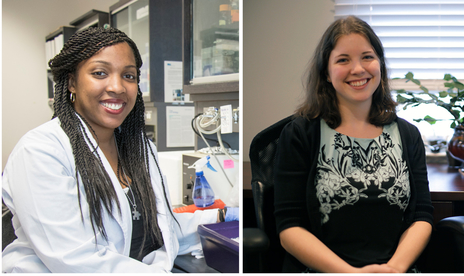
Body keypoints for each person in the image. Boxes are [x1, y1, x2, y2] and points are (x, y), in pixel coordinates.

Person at [2, 27, 237, 273]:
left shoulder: (138, 147)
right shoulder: (40, 151)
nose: (117, 87)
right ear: (72, 82)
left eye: (129, 76)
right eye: (100, 73)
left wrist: (222, 217)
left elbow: (160, 227)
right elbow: (73, 260)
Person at [273, 16, 433, 273]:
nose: (358, 69)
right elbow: (290, 227)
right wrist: (351, 274)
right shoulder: (301, 134)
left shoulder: (407, 134)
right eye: (343, 60)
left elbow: (422, 216)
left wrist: (394, 268)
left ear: (380, 64)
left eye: (367, 57)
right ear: (326, 71)